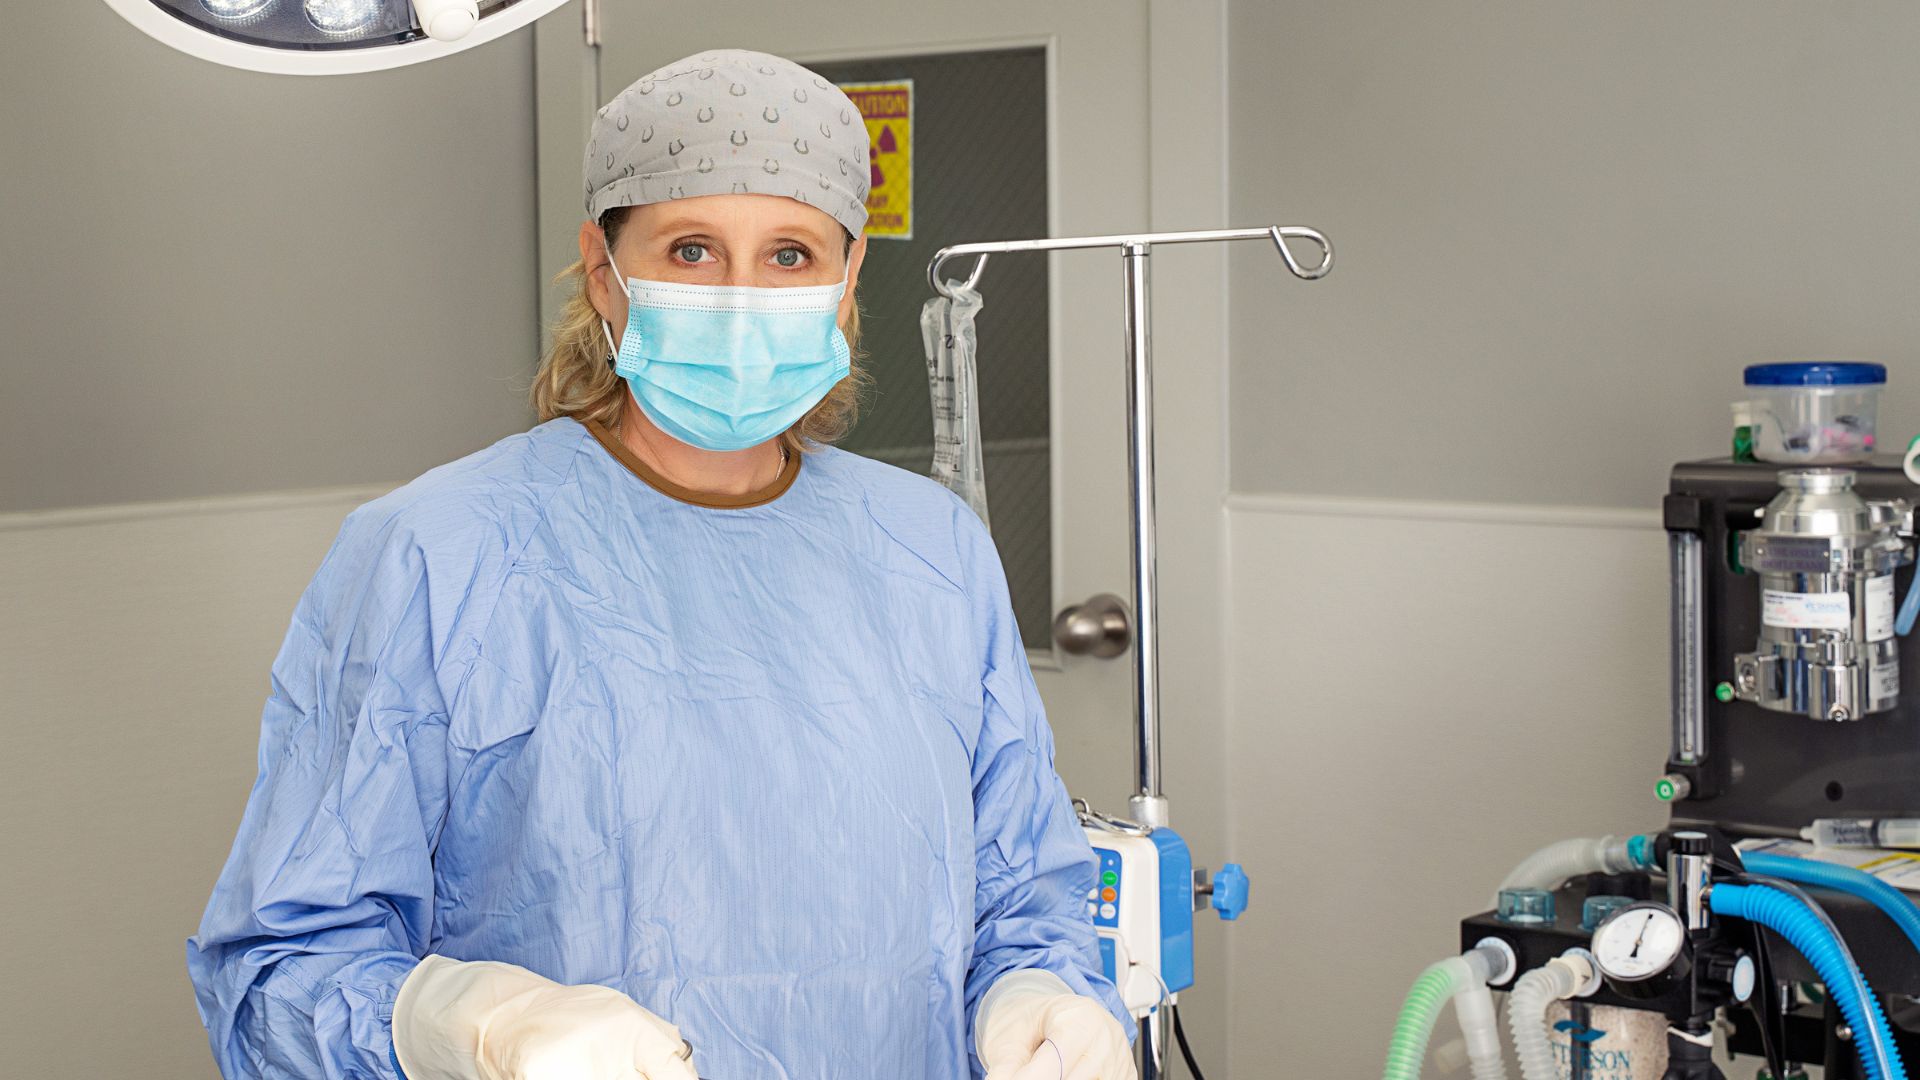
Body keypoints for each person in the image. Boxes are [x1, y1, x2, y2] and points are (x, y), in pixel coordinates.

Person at [186, 48, 1135, 1080]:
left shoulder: (933, 550)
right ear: (605, 270)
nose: (739, 295)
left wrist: (1038, 995)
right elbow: (281, 971)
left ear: (848, 277)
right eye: (690, 250)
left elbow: (1021, 897)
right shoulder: (439, 552)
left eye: (789, 255)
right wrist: (467, 1024)